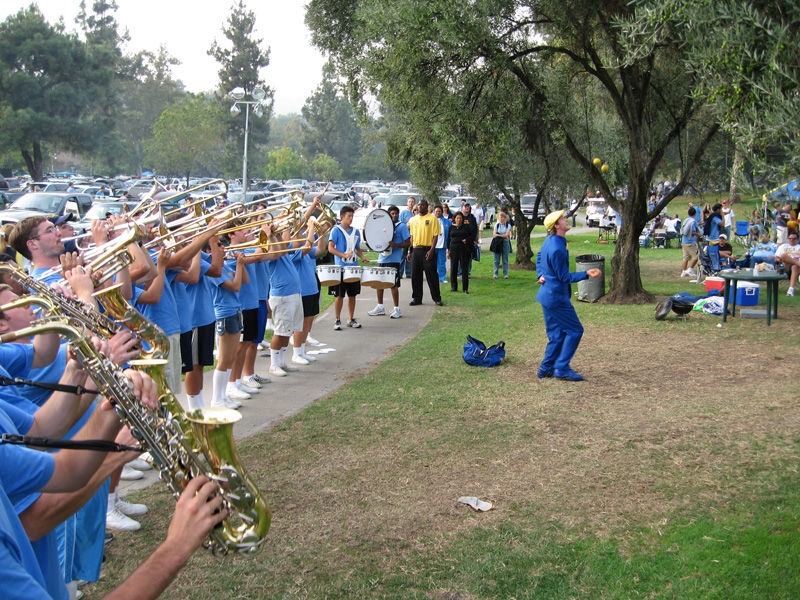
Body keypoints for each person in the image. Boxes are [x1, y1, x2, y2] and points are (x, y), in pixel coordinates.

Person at [535, 210, 601, 382]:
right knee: (575, 330)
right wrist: (586, 273)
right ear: (556, 225)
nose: (566, 219)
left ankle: (545, 369)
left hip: (546, 296)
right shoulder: (557, 247)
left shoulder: (551, 240)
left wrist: (540, 274)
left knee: (556, 335)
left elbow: (540, 256)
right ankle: (562, 368)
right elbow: (564, 277)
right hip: (556, 297)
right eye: (563, 218)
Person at [328, 205, 370, 329]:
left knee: (352, 295)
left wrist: (362, 257)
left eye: (352, 216)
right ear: (342, 217)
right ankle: (337, 319)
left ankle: (351, 318)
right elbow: (331, 248)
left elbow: (357, 248)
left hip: (353, 267)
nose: (351, 219)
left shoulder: (356, 231)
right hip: (341, 267)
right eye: (349, 216)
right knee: (339, 295)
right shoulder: (336, 230)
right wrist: (344, 255)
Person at [367, 205, 411, 318]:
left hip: (394, 260)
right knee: (379, 283)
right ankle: (380, 307)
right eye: (392, 214)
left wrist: (396, 245)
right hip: (382, 258)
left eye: (396, 213)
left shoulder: (401, 226)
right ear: (388, 215)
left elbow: (408, 243)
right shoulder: (383, 226)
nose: (394, 216)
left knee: (393, 285)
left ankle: (397, 309)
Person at [407, 199, 443, 306]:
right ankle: (417, 298)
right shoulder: (413, 220)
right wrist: (409, 251)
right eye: (419, 205)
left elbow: (435, 236)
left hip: (428, 249)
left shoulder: (433, 219)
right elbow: (412, 237)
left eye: (423, 205)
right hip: (416, 249)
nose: (420, 206)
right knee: (416, 275)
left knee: (432, 275)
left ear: (427, 206)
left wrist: (432, 250)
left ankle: (437, 298)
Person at [447, 211, 473, 293]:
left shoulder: (465, 227)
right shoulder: (451, 227)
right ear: (454, 219)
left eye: (460, 218)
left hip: (463, 250)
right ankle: (454, 287)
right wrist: (448, 250)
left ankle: (465, 288)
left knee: (464, 269)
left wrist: (467, 240)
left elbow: (472, 236)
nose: (459, 220)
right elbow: (448, 239)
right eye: (457, 218)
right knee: (453, 268)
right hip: (454, 249)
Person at [776, 232, 800, 296]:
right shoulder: (783, 246)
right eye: (790, 238)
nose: (791, 240)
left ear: (798, 239)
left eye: (794, 238)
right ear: (788, 239)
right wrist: (784, 260)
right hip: (785, 267)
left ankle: (791, 290)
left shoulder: (799, 247)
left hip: (797, 270)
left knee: (795, 267)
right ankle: (797, 264)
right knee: (784, 255)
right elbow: (776, 258)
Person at [398, 197, 416, 278]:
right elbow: (400, 223)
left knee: (410, 255)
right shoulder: (403, 213)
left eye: (412, 202)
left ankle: (409, 273)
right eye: (409, 202)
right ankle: (400, 273)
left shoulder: (415, 214)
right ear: (407, 203)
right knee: (403, 255)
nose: (411, 203)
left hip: (412, 237)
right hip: (404, 237)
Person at [491, 211, 512, 279]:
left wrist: (498, 235)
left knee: (505, 259)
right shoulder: (496, 225)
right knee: (496, 260)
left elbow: (506, 235)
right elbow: (494, 235)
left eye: (503, 217)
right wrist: (501, 235)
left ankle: (505, 274)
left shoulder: (508, 225)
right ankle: (495, 273)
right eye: (500, 217)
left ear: (505, 218)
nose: (501, 219)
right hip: (497, 243)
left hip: (505, 243)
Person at [704, 203, 724, 271]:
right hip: (713, 238)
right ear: (718, 209)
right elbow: (722, 224)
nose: (721, 210)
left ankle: (714, 266)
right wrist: (723, 216)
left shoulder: (712, 215)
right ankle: (715, 268)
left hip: (710, 237)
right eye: (721, 209)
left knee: (713, 254)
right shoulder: (715, 217)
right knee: (714, 255)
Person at [433, 205, 450, 284]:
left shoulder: (447, 222)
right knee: (432, 262)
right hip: (432, 245)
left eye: (439, 211)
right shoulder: (431, 221)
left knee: (441, 262)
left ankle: (442, 277)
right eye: (436, 211)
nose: (438, 213)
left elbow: (450, 233)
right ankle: (433, 276)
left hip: (442, 245)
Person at [680, 207, 699, 277]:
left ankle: (684, 271)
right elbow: (693, 231)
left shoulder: (686, 220)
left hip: (684, 241)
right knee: (696, 256)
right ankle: (690, 269)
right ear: (695, 214)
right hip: (689, 242)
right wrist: (698, 233)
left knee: (686, 257)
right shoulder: (692, 221)